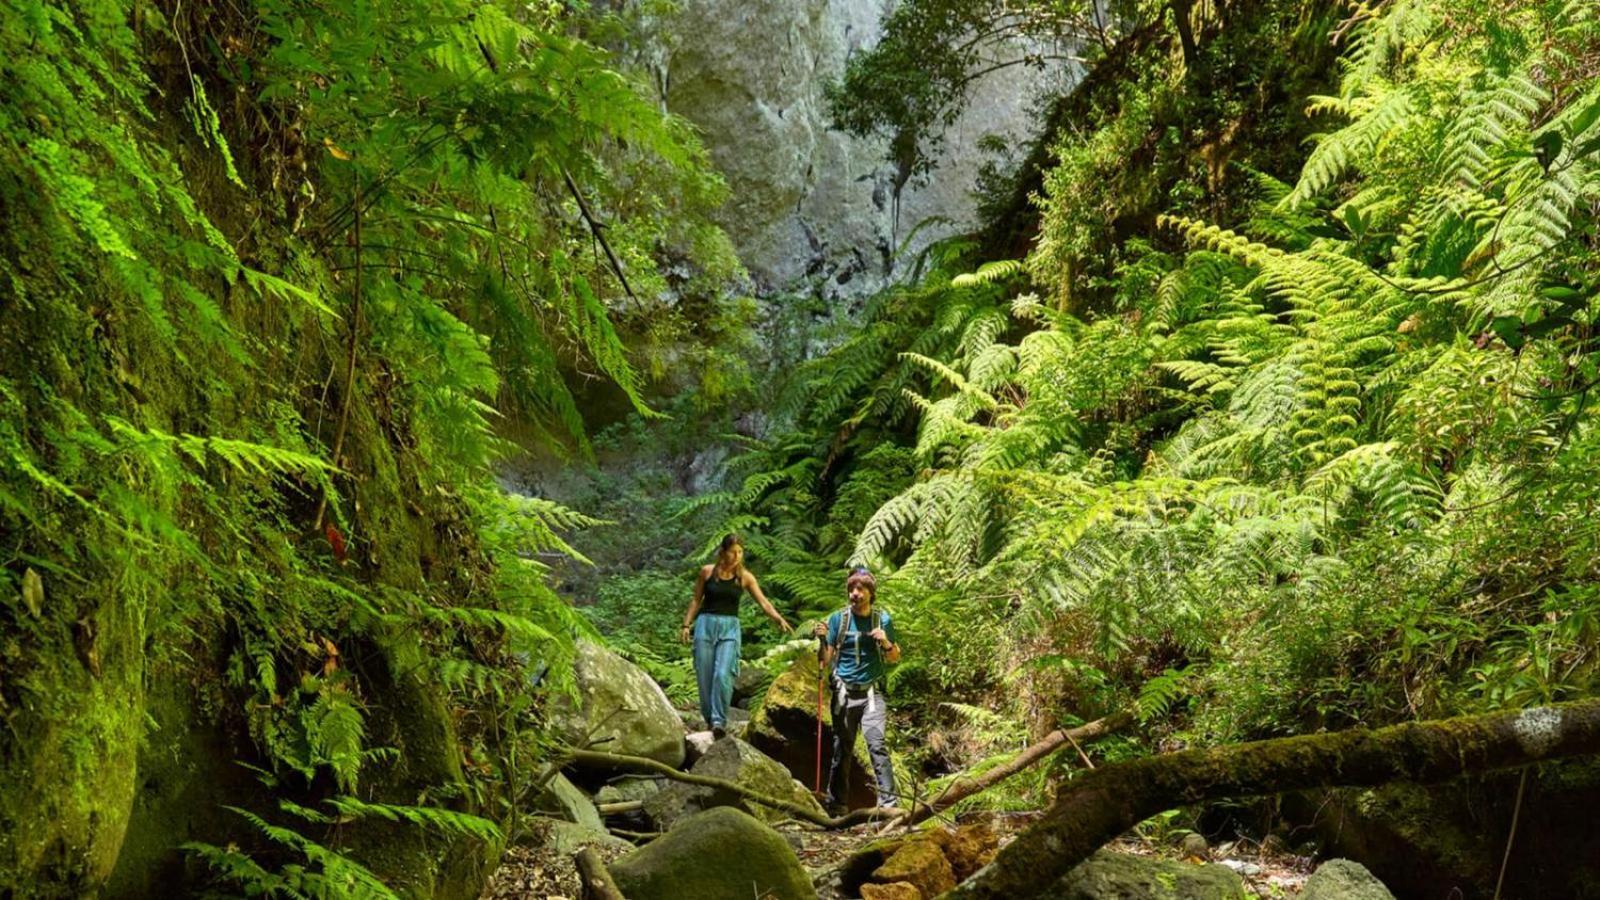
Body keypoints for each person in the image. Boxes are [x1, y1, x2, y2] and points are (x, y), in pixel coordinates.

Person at [680, 534, 792, 737]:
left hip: (730, 628)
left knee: (723, 674)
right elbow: (696, 600)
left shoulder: (745, 577)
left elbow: (763, 602)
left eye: (741, 552)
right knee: (704, 676)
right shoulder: (707, 572)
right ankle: (708, 719)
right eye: (733, 552)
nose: (737, 556)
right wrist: (686, 625)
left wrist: (778, 618)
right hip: (705, 625)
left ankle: (718, 722)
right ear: (723, 552)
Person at [813, 566, 900, 814]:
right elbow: (825, 659)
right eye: (851, 588)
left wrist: (885, 641)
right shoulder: (837, 620)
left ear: (871, 593)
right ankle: (836, 806)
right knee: (843, 747)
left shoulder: (882, 620)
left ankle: (889, 806)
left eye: (860, 589)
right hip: (844, 693)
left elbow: (894, 657)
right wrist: (821, 640)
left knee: (877, 744)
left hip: (872, 693)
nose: (855, 593)